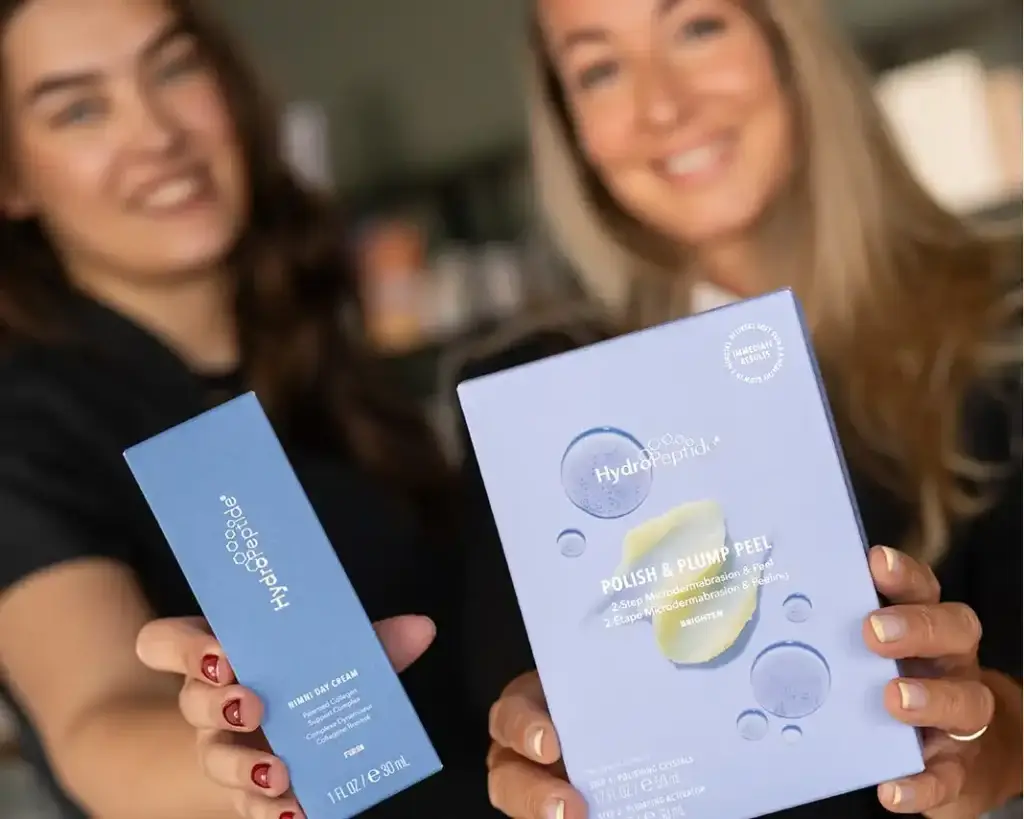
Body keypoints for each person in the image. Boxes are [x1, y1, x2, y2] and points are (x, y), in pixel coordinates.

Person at [476, 1, 1023, 819]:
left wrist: (991, 738)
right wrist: (534, 764)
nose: (664, 105)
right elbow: (499, 749)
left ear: (783, 40)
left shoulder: (1004, 328)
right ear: (570, 129)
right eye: (600, 69)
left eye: (697, 28)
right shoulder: (534, 409)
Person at [0, 1, 496, 818]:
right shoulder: (26, 425)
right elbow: (95, 721)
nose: (158, 134)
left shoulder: (312, 333)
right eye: (79, 109)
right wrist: (236, 753)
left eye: (173, 69)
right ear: (12, 178)